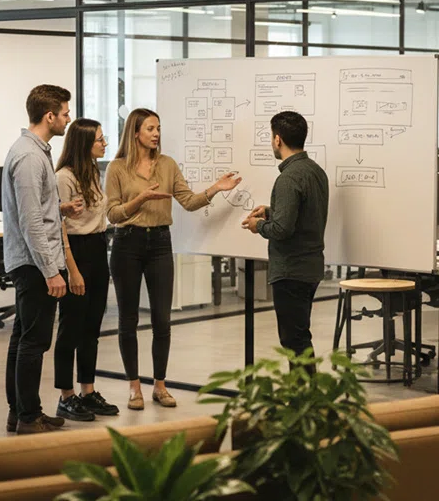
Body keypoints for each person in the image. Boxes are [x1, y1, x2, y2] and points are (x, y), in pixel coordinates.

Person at [105, 108, 240, 410]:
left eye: (158, 128)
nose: (156, 134)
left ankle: (160, 386)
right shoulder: (116, 168)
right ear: (135, 132)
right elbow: (112, 213)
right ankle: (134, 388)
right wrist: (140, 200)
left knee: (161, 320)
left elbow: (189, 202)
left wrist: (216, 188)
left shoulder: (167, 165)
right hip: (127, 243)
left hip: (160, 244)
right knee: (128, 320)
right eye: (150, 128)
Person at [2, 84, 77, 435]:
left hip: (30, 260)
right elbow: (31, 221)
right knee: (35, 342)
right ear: (49, 116)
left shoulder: (32, 151)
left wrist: (58, 207)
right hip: (35, 264)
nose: (67, 119)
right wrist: (51, 271)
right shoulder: (31, 157)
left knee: (23, 338)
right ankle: (29, 416)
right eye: (64, 113)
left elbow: (34, 208)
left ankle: (20, 412)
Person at [241, 111, 328, 374]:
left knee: (294, 340)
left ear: (277, 140)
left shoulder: (288, 178)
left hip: (291, 270)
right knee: (300, 336)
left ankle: (304, 402)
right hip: (310, 267)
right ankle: (305, 398)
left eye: (270, 137)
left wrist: (260, 226)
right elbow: (303, 215)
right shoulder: (315, 171)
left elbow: (282, 229)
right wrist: (270, 211)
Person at [52, 118, 119, 421]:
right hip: (74, 252)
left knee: (91, 327)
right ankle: (66, 396)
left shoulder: (93, 171)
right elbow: (60, 226)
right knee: (71, 327)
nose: (105, 144)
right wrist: (73, 270)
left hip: (96, 247)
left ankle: (87, 391)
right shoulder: (64, 177)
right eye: (100, 140)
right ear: (84, 143)